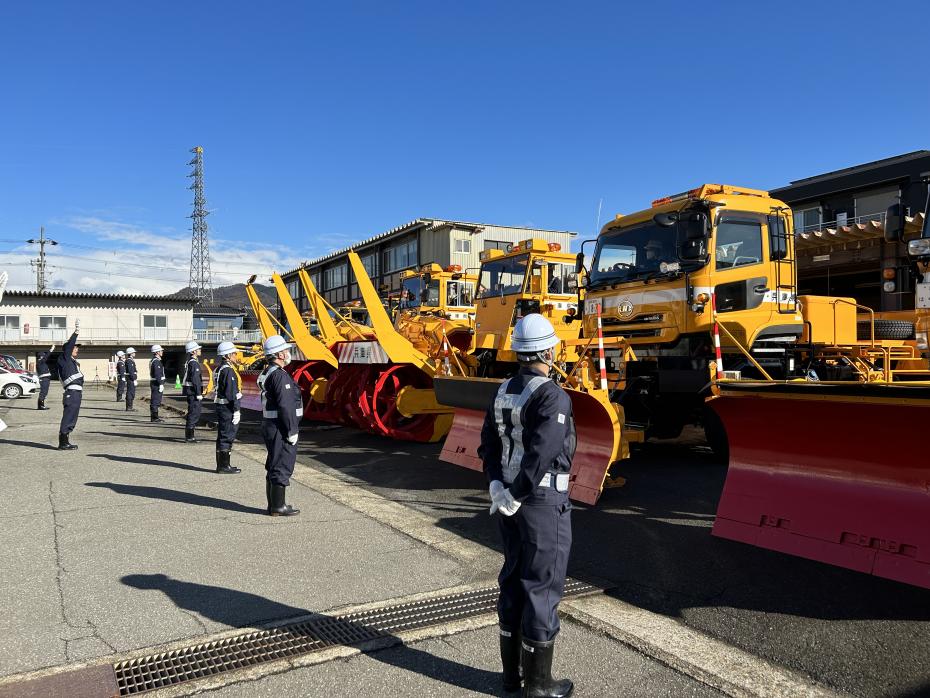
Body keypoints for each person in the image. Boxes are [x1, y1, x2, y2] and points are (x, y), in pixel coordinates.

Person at [478, 313, 575, 698]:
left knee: (513, 579)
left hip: (508, 502)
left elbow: (489, 443)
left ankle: (511, 676)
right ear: (548, 351)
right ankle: (539, 686)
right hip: (541, 503)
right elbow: (542, 453)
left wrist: (497, 486)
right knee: (542, 585)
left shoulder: (502, 390)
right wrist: (517, 493)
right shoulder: (552, 395)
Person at [258, 334, 302, 516]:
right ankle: (278, 506)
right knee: (281, 464)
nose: (288, 353)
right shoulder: (280, 376)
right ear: (279, 355)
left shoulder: (268, 372)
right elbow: (286, 405)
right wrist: (292, 430)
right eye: (285, 350)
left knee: (274, 463)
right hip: (280, 427)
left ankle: (274, 505)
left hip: (272, 425)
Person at [213, 341, 242, 475]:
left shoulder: (219, 369)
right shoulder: (228, 371)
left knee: (222, 435)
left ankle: (222, 464)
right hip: (227, 407)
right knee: (227, 435)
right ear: (228, 355)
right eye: (234, 353)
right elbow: (231, 393)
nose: (236, 355)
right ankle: (224, 466)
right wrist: (236, 410)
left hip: (221, 406)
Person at [56, 321, 84, 450]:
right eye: (75, 347)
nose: (77, 349)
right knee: (68, 417)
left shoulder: (72, 361)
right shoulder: (65, 357)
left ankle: (65, 441)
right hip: (71, 392)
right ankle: (63, 443)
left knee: (73, 417)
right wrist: (76, 333)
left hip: (76, 393)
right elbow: (69, 346)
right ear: (68, 349)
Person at [181, 340, 204, 443]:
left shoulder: (191, 362)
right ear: (193, 351)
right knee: (194, 413)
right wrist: (198, 393)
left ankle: (190, 436)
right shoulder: (193, 363)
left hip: (191, 391)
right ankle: (189, 437)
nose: (199, 350)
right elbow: (195, 379)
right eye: (198, 349)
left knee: (193, 412)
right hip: (193, 392)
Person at [149, 345, 166, 423]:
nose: (162, 352)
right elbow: (157, 374)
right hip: (156, 383)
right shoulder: (156, 361)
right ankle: (154, 418)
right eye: (160, 351)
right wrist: (160, 384)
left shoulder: (155, 360)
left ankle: (155, 417)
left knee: (156, 400)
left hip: (156, 383)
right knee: (155, 401)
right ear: (156, 352)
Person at [35, 344, 54, 410]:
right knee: (43, 392)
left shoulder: (41, 362)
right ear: (41, 356)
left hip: (45, 379)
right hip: (44, 379)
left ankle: (41, 405)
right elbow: (46, 357)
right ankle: (40, 406)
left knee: (44, 392)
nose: (44, 357)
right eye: (43, 356)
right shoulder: (40, 362)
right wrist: (51, 350)